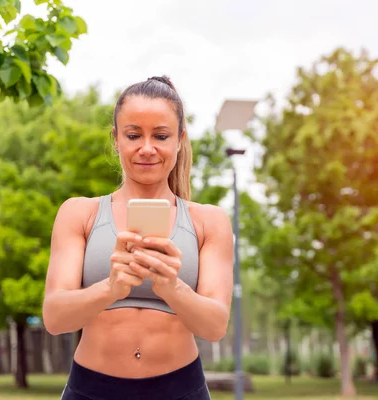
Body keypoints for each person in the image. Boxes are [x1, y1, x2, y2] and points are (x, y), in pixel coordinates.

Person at [42, 76, 234, 400]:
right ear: (116, 139)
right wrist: (110, 288)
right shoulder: (79, 213)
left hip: (180, 389)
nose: (147, 148)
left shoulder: (209, 221)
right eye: (133, 135)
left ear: (179, 140)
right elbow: (55, 316)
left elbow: (214, 326)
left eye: (161, 135)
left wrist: (173, 288)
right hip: (92, 389)